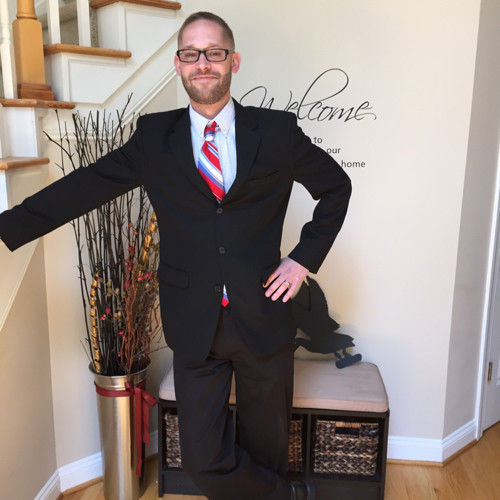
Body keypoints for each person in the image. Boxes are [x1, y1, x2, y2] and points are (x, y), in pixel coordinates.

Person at [0, 11, 351, 500]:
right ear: (178, 64)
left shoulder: (276, 132)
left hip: (264, 314)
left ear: (233, 61)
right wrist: (8, 226)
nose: (202, 63)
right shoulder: (154, 138)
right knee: (203, 460)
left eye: (214, 52)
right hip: (193, 323)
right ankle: (289, 496)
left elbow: (336, 187)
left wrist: (302, 259)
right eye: (191, 53)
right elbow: (85, 187)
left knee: (265, 450)